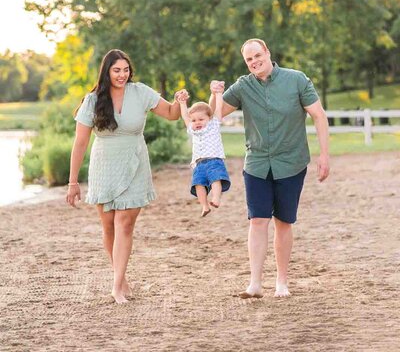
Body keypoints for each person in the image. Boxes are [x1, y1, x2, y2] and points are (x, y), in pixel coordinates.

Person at [210, 38, 330, 299]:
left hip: (291, 163)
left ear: (267, 53)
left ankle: (281, 282)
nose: (254, 62)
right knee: (258, 220)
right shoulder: (243, 86)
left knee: (284, 222)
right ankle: (254, 283)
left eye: (257, 55)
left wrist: (324, 155)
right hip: (257, 164)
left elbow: (319, 115)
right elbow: (214, 116)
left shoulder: (296, 80)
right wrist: (215, 93)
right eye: (248, 59)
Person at [66, 49, 186, 304]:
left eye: (125, 70)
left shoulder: (141, 92)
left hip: (134, 162)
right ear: (107, 72)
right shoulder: (92, 100)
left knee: (125, 223)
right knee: (108, 226)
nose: (122, 75)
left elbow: (172, 114)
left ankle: (116, 286)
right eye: (116, 70)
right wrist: (73, 182)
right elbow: (80, 142)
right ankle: (122, 279)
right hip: (104, 165)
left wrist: (180, 101)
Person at [176, 90, 231, 217]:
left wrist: (218, 95)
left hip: (214, 161)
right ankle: (205, 206)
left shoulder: (214, 125)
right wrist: (182, 103)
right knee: (198, 185)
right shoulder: (192, 129)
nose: (197, 122)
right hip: (198, 164)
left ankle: (216, 199)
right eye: (194, 120)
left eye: (201, 119)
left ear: (209, 118)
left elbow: (219, 108)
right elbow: (185, 116)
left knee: (216, 179)